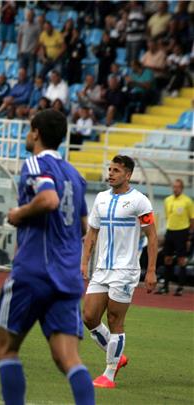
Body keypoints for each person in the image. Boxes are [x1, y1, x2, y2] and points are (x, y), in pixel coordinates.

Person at [0, 110, 95, 405]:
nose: (28, 135)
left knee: (6, 348)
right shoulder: (75, 176)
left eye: (29, 130)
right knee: (68, 358)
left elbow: (49, 199)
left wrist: (18, 214)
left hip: (33, 271)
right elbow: (83, 226)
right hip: (66, 277)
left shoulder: (35, 163)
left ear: (36, 132)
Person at [82, 155, 158, 389]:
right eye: (110, 169)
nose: (111, 173)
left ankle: (109, 373)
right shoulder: (101, 199)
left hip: (125, 271)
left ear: (128, 175)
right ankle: (117, 355)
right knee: (89, 317)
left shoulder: (139, 201)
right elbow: (92, 232)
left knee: (115, 320)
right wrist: (84, 262)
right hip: (102, 268)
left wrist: (151, 270)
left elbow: (152, 235)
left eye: (116, 170)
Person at [156, 179, 194, 296]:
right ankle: (165, 287)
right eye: (174, 187)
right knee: (167, 259)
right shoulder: (167, 200)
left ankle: (180, 287)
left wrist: (189, 237)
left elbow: (192, 220)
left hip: (182, 233)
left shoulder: (187, 201)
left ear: (182, 188)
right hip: (170, 232)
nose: (175, 189)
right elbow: (168, 217)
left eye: (177, 187)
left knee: (181, 260)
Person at [17, 9, 40, 78]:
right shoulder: (22, 25)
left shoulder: (37, 27)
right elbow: (19, 37)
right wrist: (19, 49)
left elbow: (39, 40)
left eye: (31, 15)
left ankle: (31, 86)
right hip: (23, 52)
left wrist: (35, 50)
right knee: (21, 71)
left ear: (34, 16)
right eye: (28, 15)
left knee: (31, 72)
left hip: (31, 53)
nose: (29, 17)